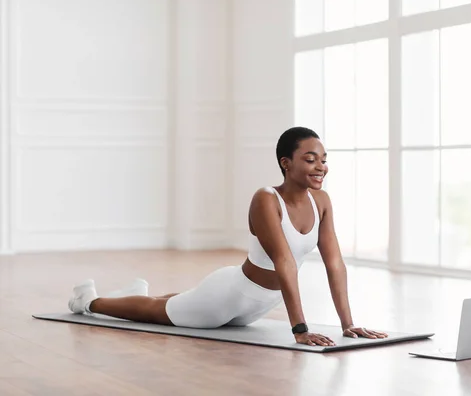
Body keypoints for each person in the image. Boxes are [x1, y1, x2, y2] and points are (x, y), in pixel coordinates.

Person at [68, 127, 388, 346]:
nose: (321, 166)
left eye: (323, 159)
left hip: (260, 305)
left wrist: (348, 324)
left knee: (176, 302)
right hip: (229, 297)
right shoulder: (265, 198)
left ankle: (134, 291)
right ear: (285, 163)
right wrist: (300, 329)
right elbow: (284, 262)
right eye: (310, 159)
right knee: (154, 312)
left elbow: (335, 265)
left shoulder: (322, 202)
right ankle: (88, 300)